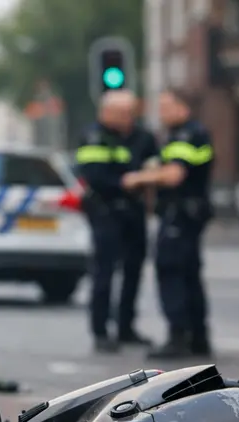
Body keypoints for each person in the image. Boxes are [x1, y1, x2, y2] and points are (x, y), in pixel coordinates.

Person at [122, 90, 215, 358]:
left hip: (179, 215)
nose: (161, 112)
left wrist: (138, 179)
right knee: (189, 274)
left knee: (171, 270)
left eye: (166, 106)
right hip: (188, 215)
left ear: (183, 107)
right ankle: (198, 338)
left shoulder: (185, 135)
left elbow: (174, 175)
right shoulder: (193, 133)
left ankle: (178, 336)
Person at [75, 90, 156, 353]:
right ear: (106, 112)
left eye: (131, 113)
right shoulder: (94, 137)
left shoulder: (143, 137)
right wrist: (128, 181)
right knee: (104, 272)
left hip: (134, 211)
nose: (127, 118)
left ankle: (125, 327)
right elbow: (94, 176)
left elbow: (154, 167)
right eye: (122, 113)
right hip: (105, 212)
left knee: (133, 270)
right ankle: (100, 331)